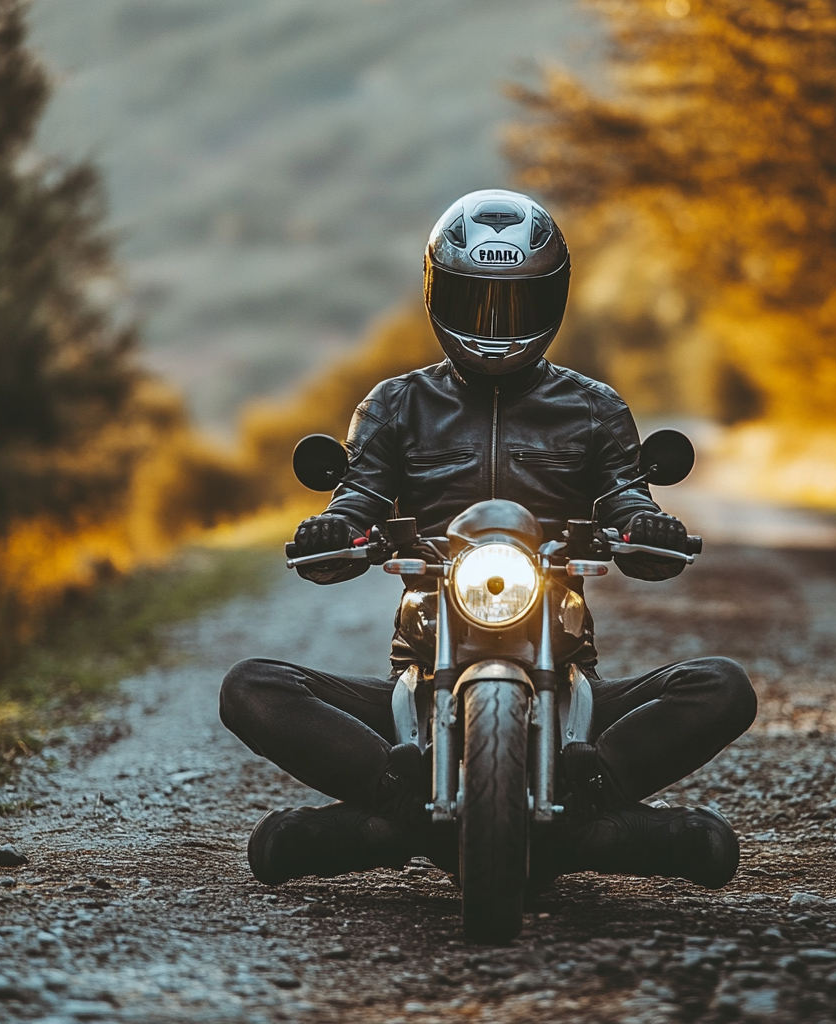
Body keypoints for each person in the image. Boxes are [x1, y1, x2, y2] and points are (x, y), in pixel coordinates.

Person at [219, 189, 756, 891]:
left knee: (722, 686)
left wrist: (643, 524)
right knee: (251, 687)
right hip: (423, 667)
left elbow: (625, 491)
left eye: (517, 303)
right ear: (440, 295)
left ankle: (541, 805)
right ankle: (422, 801)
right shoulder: (394, 405)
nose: (496, 322)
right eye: (477, 302)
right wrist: (339, 528)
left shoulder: (595, 408)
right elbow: (361, 496)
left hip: (561, 663)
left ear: (551, 299)